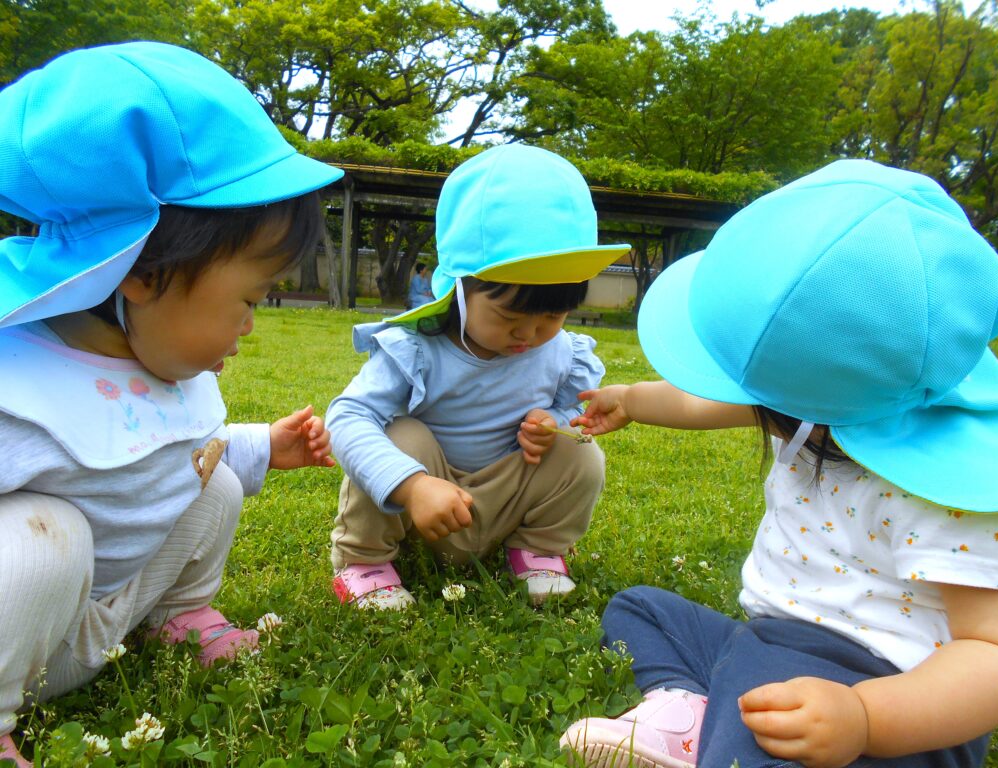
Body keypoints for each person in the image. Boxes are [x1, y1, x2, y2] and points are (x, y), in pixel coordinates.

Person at [559, 160, 998, 768]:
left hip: (884, 696)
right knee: (641, 608)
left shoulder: (956, 488)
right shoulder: (834, 397)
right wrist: (632, 399)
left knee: (757, 748)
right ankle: (693, 710)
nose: (749, 404)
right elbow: (706, 399)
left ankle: (721, 730)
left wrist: (865, 719)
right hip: (761, 643)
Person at [0, 43, 344, 767]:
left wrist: (260, 448)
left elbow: (157, 449)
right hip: (12, 634)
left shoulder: (161, 360)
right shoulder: (18, 387)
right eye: (248, 299)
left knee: (211, 478)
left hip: (96, 629)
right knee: (45, 532)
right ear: (143, 272)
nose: (252, 323)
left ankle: (181, 615)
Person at [326, 144, 630, 609]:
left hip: (502, 497)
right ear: (461, 286)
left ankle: (536, 551)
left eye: (552, 316)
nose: (529, 334)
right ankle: (365, 560)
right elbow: (346, 418)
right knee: (400, 433)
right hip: (422, 499)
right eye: (510, 315)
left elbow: (571, 407)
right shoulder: (416, 348)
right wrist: (413, 484)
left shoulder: (562, 352)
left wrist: (553, 419)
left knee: (579, 451)